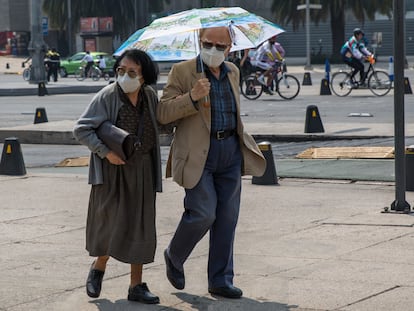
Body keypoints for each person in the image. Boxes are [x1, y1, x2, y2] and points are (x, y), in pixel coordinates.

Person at [157, 26, 266, 299]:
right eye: (208, 44)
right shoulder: (182, 72)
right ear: (199, 41)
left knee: (227, 218)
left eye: (221, 46)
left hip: (229, 149)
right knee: (204, 212)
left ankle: (220, 280)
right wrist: (191, 96)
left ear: (230, 48)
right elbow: (163, 113)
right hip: (197, 154)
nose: (214, 50)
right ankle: (175, 254)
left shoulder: (233, 71)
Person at [73, 49, 162, 304]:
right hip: (113, 170)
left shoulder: (149, 96)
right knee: (110, 224)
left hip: (143, 169)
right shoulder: (108, 95)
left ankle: (136, 285)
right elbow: (82, 129)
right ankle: (98, 268)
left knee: (140, 225)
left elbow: (161, 124)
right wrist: (105, 153)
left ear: (144, 76)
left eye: (132, 72)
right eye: (121, 71)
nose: (125, 76)